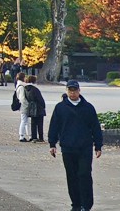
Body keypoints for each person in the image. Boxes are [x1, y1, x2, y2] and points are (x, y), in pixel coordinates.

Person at [49, 80, 104, 211]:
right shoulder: (60, 108)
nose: (72, 93)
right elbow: (54, 126)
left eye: (74, 90)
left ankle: (86, 204)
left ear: (79, 91)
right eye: (70, 90)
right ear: (66, 91)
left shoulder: (88, 107)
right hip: (68, 147)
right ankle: (76, 204)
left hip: (84, 147)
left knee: (84, 174)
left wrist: (98, 145)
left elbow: (95, 127)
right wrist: (52, 144)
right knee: (72, 176)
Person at [25, 75, 47, 143]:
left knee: (33, 123)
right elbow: (40, 99)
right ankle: (41, 137)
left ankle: (34, 136)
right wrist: (43, 106)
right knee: (40, 123)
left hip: (31, 106)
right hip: (38, 106)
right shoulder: (35, 89)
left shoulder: (26, 89)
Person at [16, 71, 31, 142]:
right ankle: (21, 135)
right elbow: (22, 98)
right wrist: (27, 104)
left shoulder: (18, 85)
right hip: (24, 106)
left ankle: (28, 134)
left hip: (22, 105)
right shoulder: (22, 87)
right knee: (24, 121)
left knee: (25, 121)